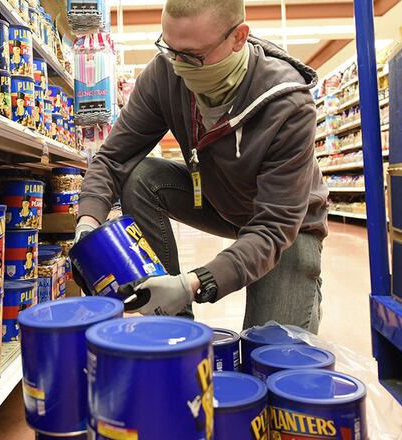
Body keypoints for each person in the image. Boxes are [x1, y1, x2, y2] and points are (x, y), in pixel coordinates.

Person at [75, 0, 329, 333]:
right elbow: (113, 158)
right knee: (141, 178)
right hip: (220, 201)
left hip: (287, 226)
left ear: (238, 38)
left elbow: (274, 226)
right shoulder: (165, 72)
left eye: (193, 56)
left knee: (271, 352)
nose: (178, 65)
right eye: (169, 48)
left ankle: (303, 287)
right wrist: (87, 222)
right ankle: (171, 323)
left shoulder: (287, 104)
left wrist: (191, 284)